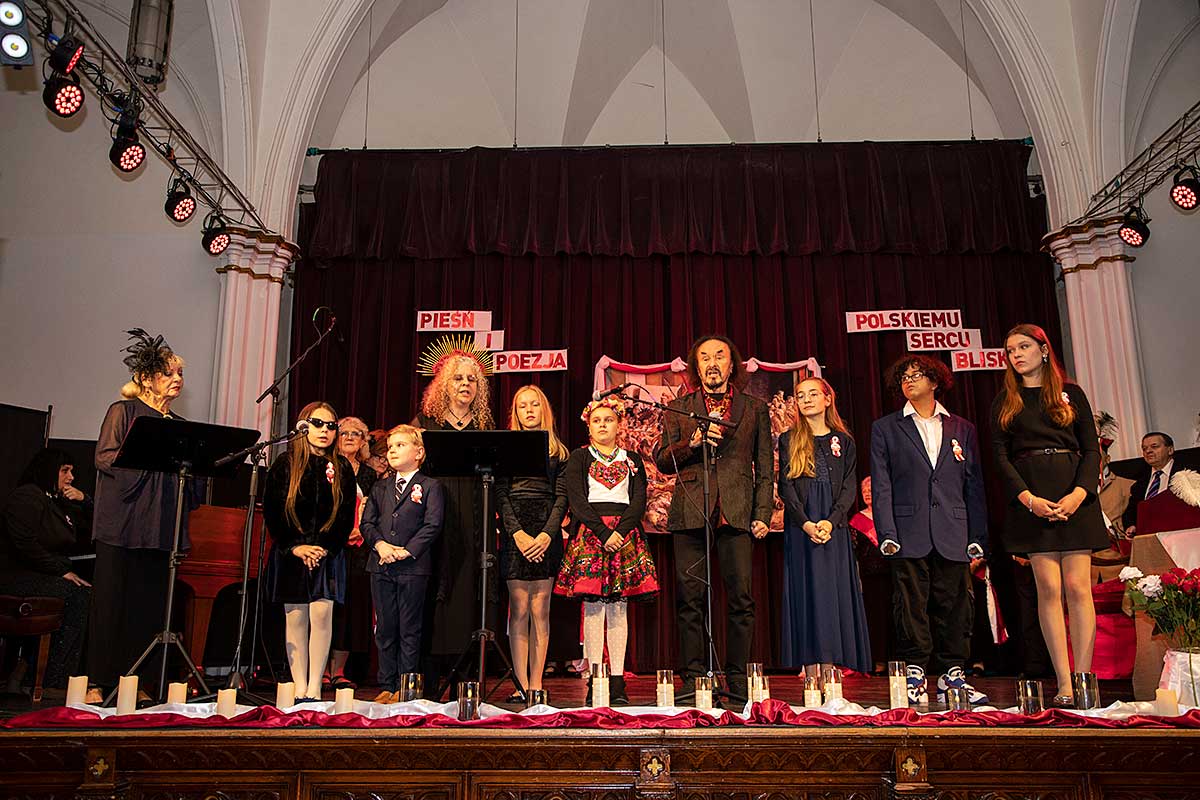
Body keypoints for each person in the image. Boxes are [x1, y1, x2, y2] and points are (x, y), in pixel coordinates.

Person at [991, 323, 1109, 706]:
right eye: (1010, 350)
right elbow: (1000, 457)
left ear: (1043, 349)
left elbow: (1091, 449)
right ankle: (1063, 683)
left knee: (1078, 587)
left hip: (1074, 495)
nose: (1016, 355)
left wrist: (1079, 494)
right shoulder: (1005, 401)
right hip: (1032, 500)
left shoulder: (1071, 394)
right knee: (1049, 589)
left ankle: (1084, 680)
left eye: (1023, 347)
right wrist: (1028, 499)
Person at [654, 335, 773, 703]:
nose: (712, 363)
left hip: (736, 511)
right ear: (697, 367)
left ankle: (736, 679)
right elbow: (662, 459)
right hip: (691, 509)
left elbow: (765, 466)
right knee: (690, 599)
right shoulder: (679, 407)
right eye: (704, 357)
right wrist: (691, 443)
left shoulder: (754, 408)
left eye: (719, 356)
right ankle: (694, 678)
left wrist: (762, 513)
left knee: (741, 599)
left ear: (731, 364)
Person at [87, 329, 204, 700]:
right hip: (122, 525)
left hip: (160, 527)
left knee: (148, 606)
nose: (177, 379)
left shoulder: (180, 426)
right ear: (147, 379)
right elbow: (105, 457)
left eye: (180, 373)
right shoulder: (123, 411)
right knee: (111, 604)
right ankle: (97, 681)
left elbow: (190, 481)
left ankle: (135, 683)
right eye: (169, 373)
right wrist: (150, 462)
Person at [870, 354, 989, 705]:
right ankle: (915, 672)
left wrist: (977, 536)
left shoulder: (962, 428)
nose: (909, 381)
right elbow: (881, 485)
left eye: (917, 375)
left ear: (935, 382)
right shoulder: (886, 428)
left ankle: (953, 674)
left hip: (953, 529)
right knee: (910, 604)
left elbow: (973, 486)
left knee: (955, 604)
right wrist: (887, 532)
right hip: (907, 530)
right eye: (904, 376)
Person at [555, 397, 658, 705]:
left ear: (619, 425)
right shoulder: (579, 457)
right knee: (594, 608)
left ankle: (617, 680)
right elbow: (577, 500)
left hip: (624, 535)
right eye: (597, 420)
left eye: (609, 420)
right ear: (589, 426)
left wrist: (620, 532)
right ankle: (595, 679)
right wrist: (603, 533)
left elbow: (638, 499)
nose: (602, 425)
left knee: (618, 608)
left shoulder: (632, 459)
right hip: (592, 534)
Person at [262, 401, 357, 702]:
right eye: (318, 424)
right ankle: (299, 684)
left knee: (322, 613)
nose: (324, 431)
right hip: (292, 553)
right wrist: (295, 546)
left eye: (331, 426)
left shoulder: (341, 467)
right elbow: (274, 512)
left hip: (327, 554)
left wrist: (324, 548)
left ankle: (315, 685)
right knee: (296, 617)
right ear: (303, 426)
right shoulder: (285, 464)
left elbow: (345, 515)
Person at [413, 352, 496, 690]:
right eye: (458, 378)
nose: (465, 384)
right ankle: (431, 677)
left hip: (475, 518)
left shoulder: (485, 428)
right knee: (437, 590)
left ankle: (466, 678)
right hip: (436, 518)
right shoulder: (426, 424)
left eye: (472, 379)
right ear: (445, 384)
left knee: (470, 590)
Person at [777, 378, 871, 674]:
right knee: (806, 594)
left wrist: (830, 522)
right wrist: (805, 523)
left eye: (812, 394)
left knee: (832, 594)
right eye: (800, 395)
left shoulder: (844, 442)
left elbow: (849, 488)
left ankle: (831, 672)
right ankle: (810, 673)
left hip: (833, 526)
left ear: (828, 399)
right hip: (802, 526)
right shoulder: (788, 439)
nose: (806, 400)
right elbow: (786, 487)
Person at [359, 425, 445, 703]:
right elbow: (367, 523)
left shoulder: (430, 486)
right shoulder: (380, 486)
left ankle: (406, 685)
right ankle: (386, 684)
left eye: (400, 445)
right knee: (385, 627)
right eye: (390, 447)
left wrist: (408, 551)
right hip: (381, 564)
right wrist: (381, 546)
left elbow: (433, 524)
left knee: (409, 628)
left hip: (412, 567)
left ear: (418, 453)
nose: (392, 451)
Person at [495, 385, 569, 703]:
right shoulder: (506, 449)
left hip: (545, 530)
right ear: (515, 412)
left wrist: (546, 535)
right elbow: (500, 494)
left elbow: (562, 497)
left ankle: (537, 683)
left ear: (544, 410)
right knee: (519, 607)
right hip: (517, 532)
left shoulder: (559, 452)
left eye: (534, 404)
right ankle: (521, 683)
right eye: (522, 405)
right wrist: (518, 534)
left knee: (541, 608)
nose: (528, 410)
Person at [0, 448, 92, 692]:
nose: (71, 477)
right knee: (77, 595)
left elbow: (92, 527)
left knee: (84, 591)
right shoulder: (27, 496)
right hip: (17, 576)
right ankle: (52, 680)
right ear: (49, 470)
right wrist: (61, 571)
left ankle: (38, 671)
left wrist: (84, 500)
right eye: (65, 471)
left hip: (45, 573)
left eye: (71, 471)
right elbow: (24, 544)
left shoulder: (57, 503)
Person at [324, 416, 378, 690]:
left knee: (350, 609)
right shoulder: (325, 467)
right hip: (330, 547)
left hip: (359, 550)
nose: (349, 437)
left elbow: (374, 509)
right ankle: (319, 668)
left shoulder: (369, 475)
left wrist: (361, 530)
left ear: (363, 441)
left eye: (356, 433)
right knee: (326, 607)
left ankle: (338, 670)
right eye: (343, 432)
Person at [849, 477, 891, 672]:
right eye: (863, 490)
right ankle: (878, 660)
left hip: (891, 573)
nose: (866, 493)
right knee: (875, 617)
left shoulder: (888, 516)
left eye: (870, 489)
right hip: (870, 576)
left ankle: (896, 659)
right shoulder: (857, 521)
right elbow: (854, 551)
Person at [1122, 432, 1176, 536]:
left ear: (1170, 450)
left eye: (1154, 446)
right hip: (1148, 536)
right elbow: (1130, 512)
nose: (1148, 451)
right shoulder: (1139, 483)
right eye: (1144, 448)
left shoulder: (1187, 474)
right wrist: (1131, 525)